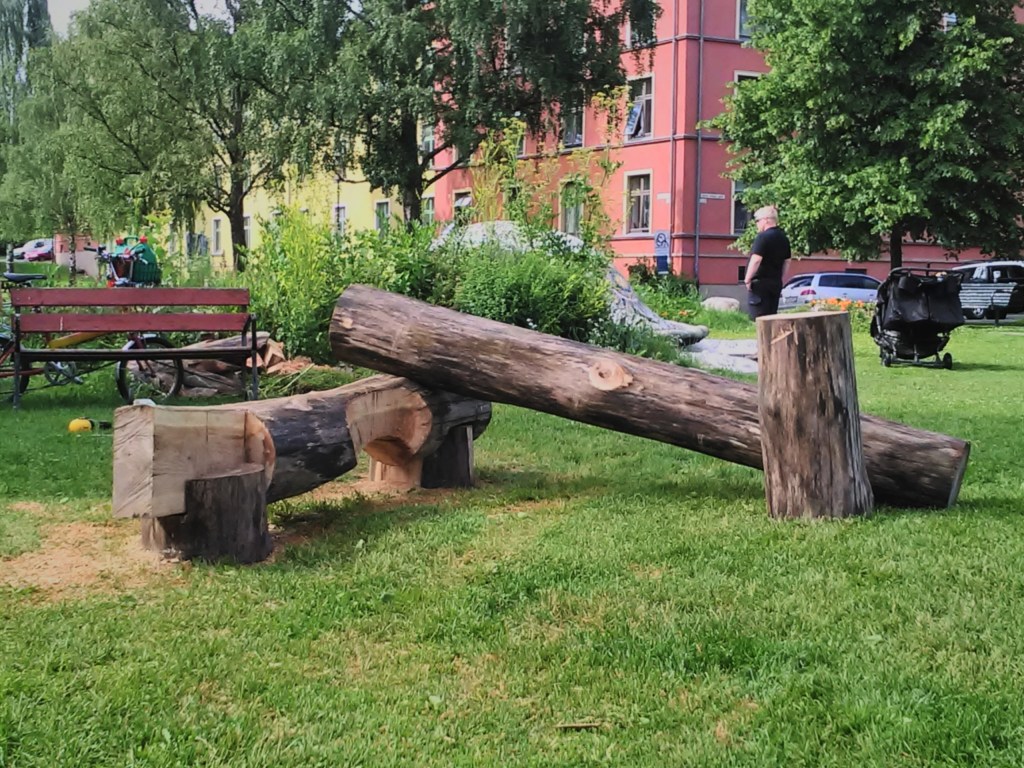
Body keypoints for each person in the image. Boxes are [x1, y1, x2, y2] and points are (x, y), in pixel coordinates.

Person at [743, 205, 791, 320]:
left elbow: (756, 260)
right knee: (771, 320)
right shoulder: (783, 238)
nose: (757, 224)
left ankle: (762, 339)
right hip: (775, 283)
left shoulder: (763, 237)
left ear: (766, 220)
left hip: (760, 284)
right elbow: (787, 261)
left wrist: (747, 279)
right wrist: (779, 277)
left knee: (759, 320)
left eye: (757, 221)